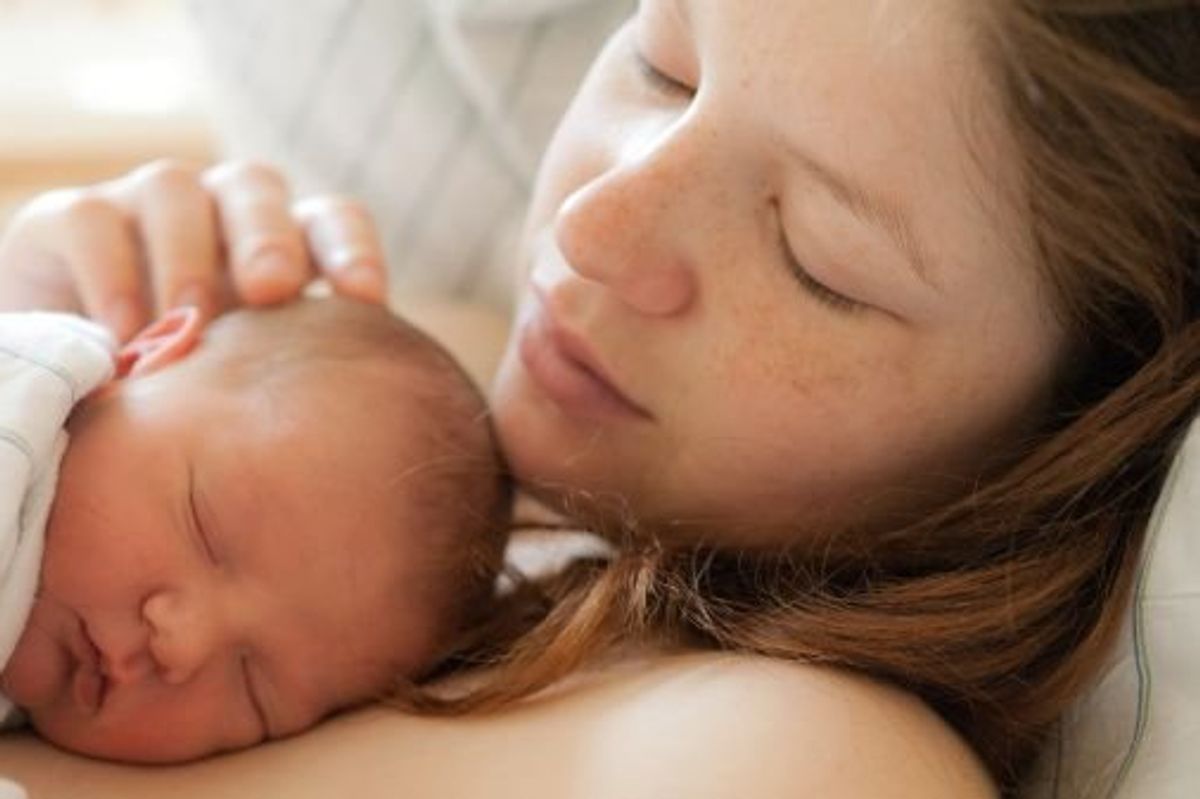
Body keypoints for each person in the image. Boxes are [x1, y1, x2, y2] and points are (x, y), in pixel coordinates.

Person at [0, 1, 1196, 797]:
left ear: (1074, 434)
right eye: (662, 63)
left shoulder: (790, 754)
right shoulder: (360, 377)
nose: (589, 222)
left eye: (818, 260)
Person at [0, 299, 508, 764]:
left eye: (254, 690)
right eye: (204, 530)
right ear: (144, 358)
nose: (183, 646)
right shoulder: (27, 391)